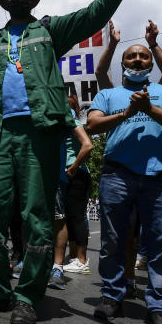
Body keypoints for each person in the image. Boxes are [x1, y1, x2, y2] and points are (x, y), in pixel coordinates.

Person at [0, 0, 156, 324]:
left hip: (41, 135)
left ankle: (28, 296)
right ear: (3, 0)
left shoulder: (49, 31)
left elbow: (95, 13)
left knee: (36, 216)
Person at [86, 41, 162, 324]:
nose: (136, 60)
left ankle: (159, 306)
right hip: (117, 177)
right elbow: (92, 125)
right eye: (130, 57)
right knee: (112, 242)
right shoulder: (108, 94)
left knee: (160, 245)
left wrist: (151, 109)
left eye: (142, 56)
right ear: (123, 64)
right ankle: (112, 295)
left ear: (151, 63)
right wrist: (126, 113)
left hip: (158, 180)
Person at [59, 94, 94, 277]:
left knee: (77, 217)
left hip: (76, 175)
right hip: (71, 175)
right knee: (70, 217)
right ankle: (74, 258)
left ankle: (81, 260)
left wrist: (73, 167)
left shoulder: (73, 122)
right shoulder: (65, 123)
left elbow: (87, 146)